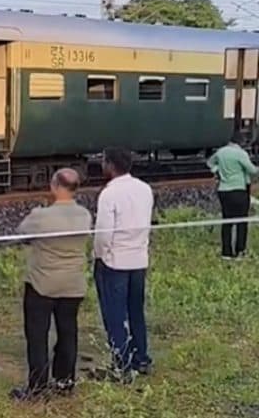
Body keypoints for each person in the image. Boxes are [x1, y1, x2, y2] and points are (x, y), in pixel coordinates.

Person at [10, 168, 92, 401]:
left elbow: (22, 233)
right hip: (73, 284)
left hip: (42, 283)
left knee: (37, 335)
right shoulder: (84, 215)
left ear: (54, 186)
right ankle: (65, 380)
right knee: (68, 332)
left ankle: (37, 387)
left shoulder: (41, 216)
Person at [93, 147, 154, 382]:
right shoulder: (144, 189)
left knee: (115, 314)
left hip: (114, 261)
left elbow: (104, 233)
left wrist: (100, 255)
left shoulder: (109, 194)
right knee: (136, 310)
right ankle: (141, 358)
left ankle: (122, 364)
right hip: (139, 259)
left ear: (110, 165)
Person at [207, 132, 258, 259]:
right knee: (242, 222)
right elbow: (252, 170)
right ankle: (240, 251)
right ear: (240, 143)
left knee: (227, 221)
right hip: (239, 190)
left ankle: (226, 252)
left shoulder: (221, 152)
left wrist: (217, 170)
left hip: (223, 190)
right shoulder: (240, 154)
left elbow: (209, 163)